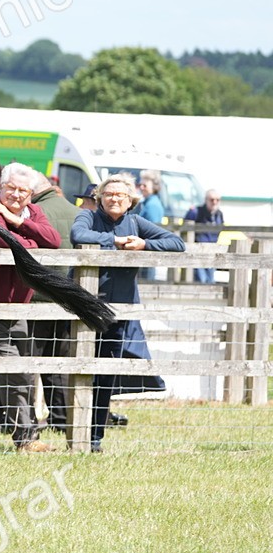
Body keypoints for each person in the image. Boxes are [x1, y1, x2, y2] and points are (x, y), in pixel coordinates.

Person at [71, 173, 185, 452]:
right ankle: (74, 433)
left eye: (120, 195)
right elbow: (78, 235)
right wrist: (116, 242)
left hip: (118, 310)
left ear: (130, 200)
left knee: (105, 374)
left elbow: (176, 242)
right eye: (109, 194)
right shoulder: (87, 217)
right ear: (99, 198)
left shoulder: (135, 222)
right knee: (76, 370)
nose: (114, 199)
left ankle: (95, 437)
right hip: (84, 305)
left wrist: (145, 244)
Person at [0, 162, 59, 453]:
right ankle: (26, 439)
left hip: (18, 308)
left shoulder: (31, 212)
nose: (17, 196)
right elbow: (7, 246)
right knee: (16, 370)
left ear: (31, 194)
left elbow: (53, 241)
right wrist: (30, 239)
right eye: (11, 188)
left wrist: (17, 221)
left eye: (23, 191)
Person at [27, 169, 83, 434]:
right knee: (58, 362)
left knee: (28, 362)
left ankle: (25, 421)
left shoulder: (33, 214)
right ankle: (60, 419)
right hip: (67, 297)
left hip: (36, 297)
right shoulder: (77, 213)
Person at [184, 190, 224, 284]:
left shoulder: (219, 214)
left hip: (213, 252)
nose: (214, 202)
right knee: (201, 280)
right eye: (212, 199)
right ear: (206, 200)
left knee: (210, 281)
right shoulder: (195, 211)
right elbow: (185, 227)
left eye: (217, 200)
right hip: (197, 252)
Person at [137, 170, 165, 280]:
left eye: (145, 185)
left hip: (146, 251)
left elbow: (151, 231)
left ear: (154, 187)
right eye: (140, 185)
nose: (141, 187)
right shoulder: (148, 203)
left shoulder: (152, 205)